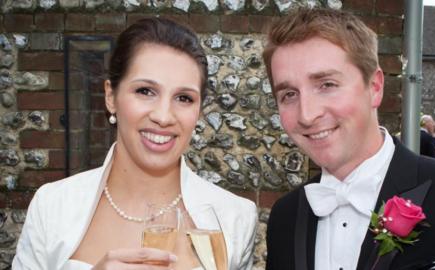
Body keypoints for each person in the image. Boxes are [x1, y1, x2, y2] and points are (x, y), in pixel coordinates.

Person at [13, 18, 257, 270]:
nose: (163, 116)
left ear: (199, 111)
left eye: (184, 98)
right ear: (111, 96)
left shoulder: (234, 219)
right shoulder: (52, 206)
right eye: (145, 91)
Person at [262, 8, 435, 270]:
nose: (307, 115)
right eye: (288, 94)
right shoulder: (284, 217)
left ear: (374, 87)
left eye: (327, 85)